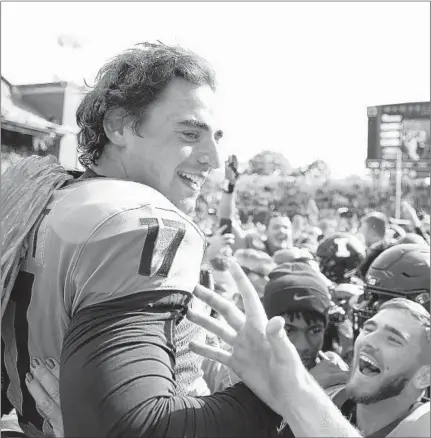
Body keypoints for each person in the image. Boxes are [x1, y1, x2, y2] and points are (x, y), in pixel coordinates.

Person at [1, 43, 281, 437]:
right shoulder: (138, 220)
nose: (213, 158)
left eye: (215, 137)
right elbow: (138, 426)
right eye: (189, 133)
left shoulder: (42, 199)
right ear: (118, 127)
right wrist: (276, 397)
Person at [262, 262, 349, 386]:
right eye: (288, 331)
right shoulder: (244, 372)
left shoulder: (332, 368)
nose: (303, 345)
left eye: (315, 331)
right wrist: (309, 385)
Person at [218, 155, 294, 256]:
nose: (281, 231)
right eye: (276, 227)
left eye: (286, 227)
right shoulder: (253, 249)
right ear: (265, 232)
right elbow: (226, 221)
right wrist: (230, 187)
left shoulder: (301, 256)